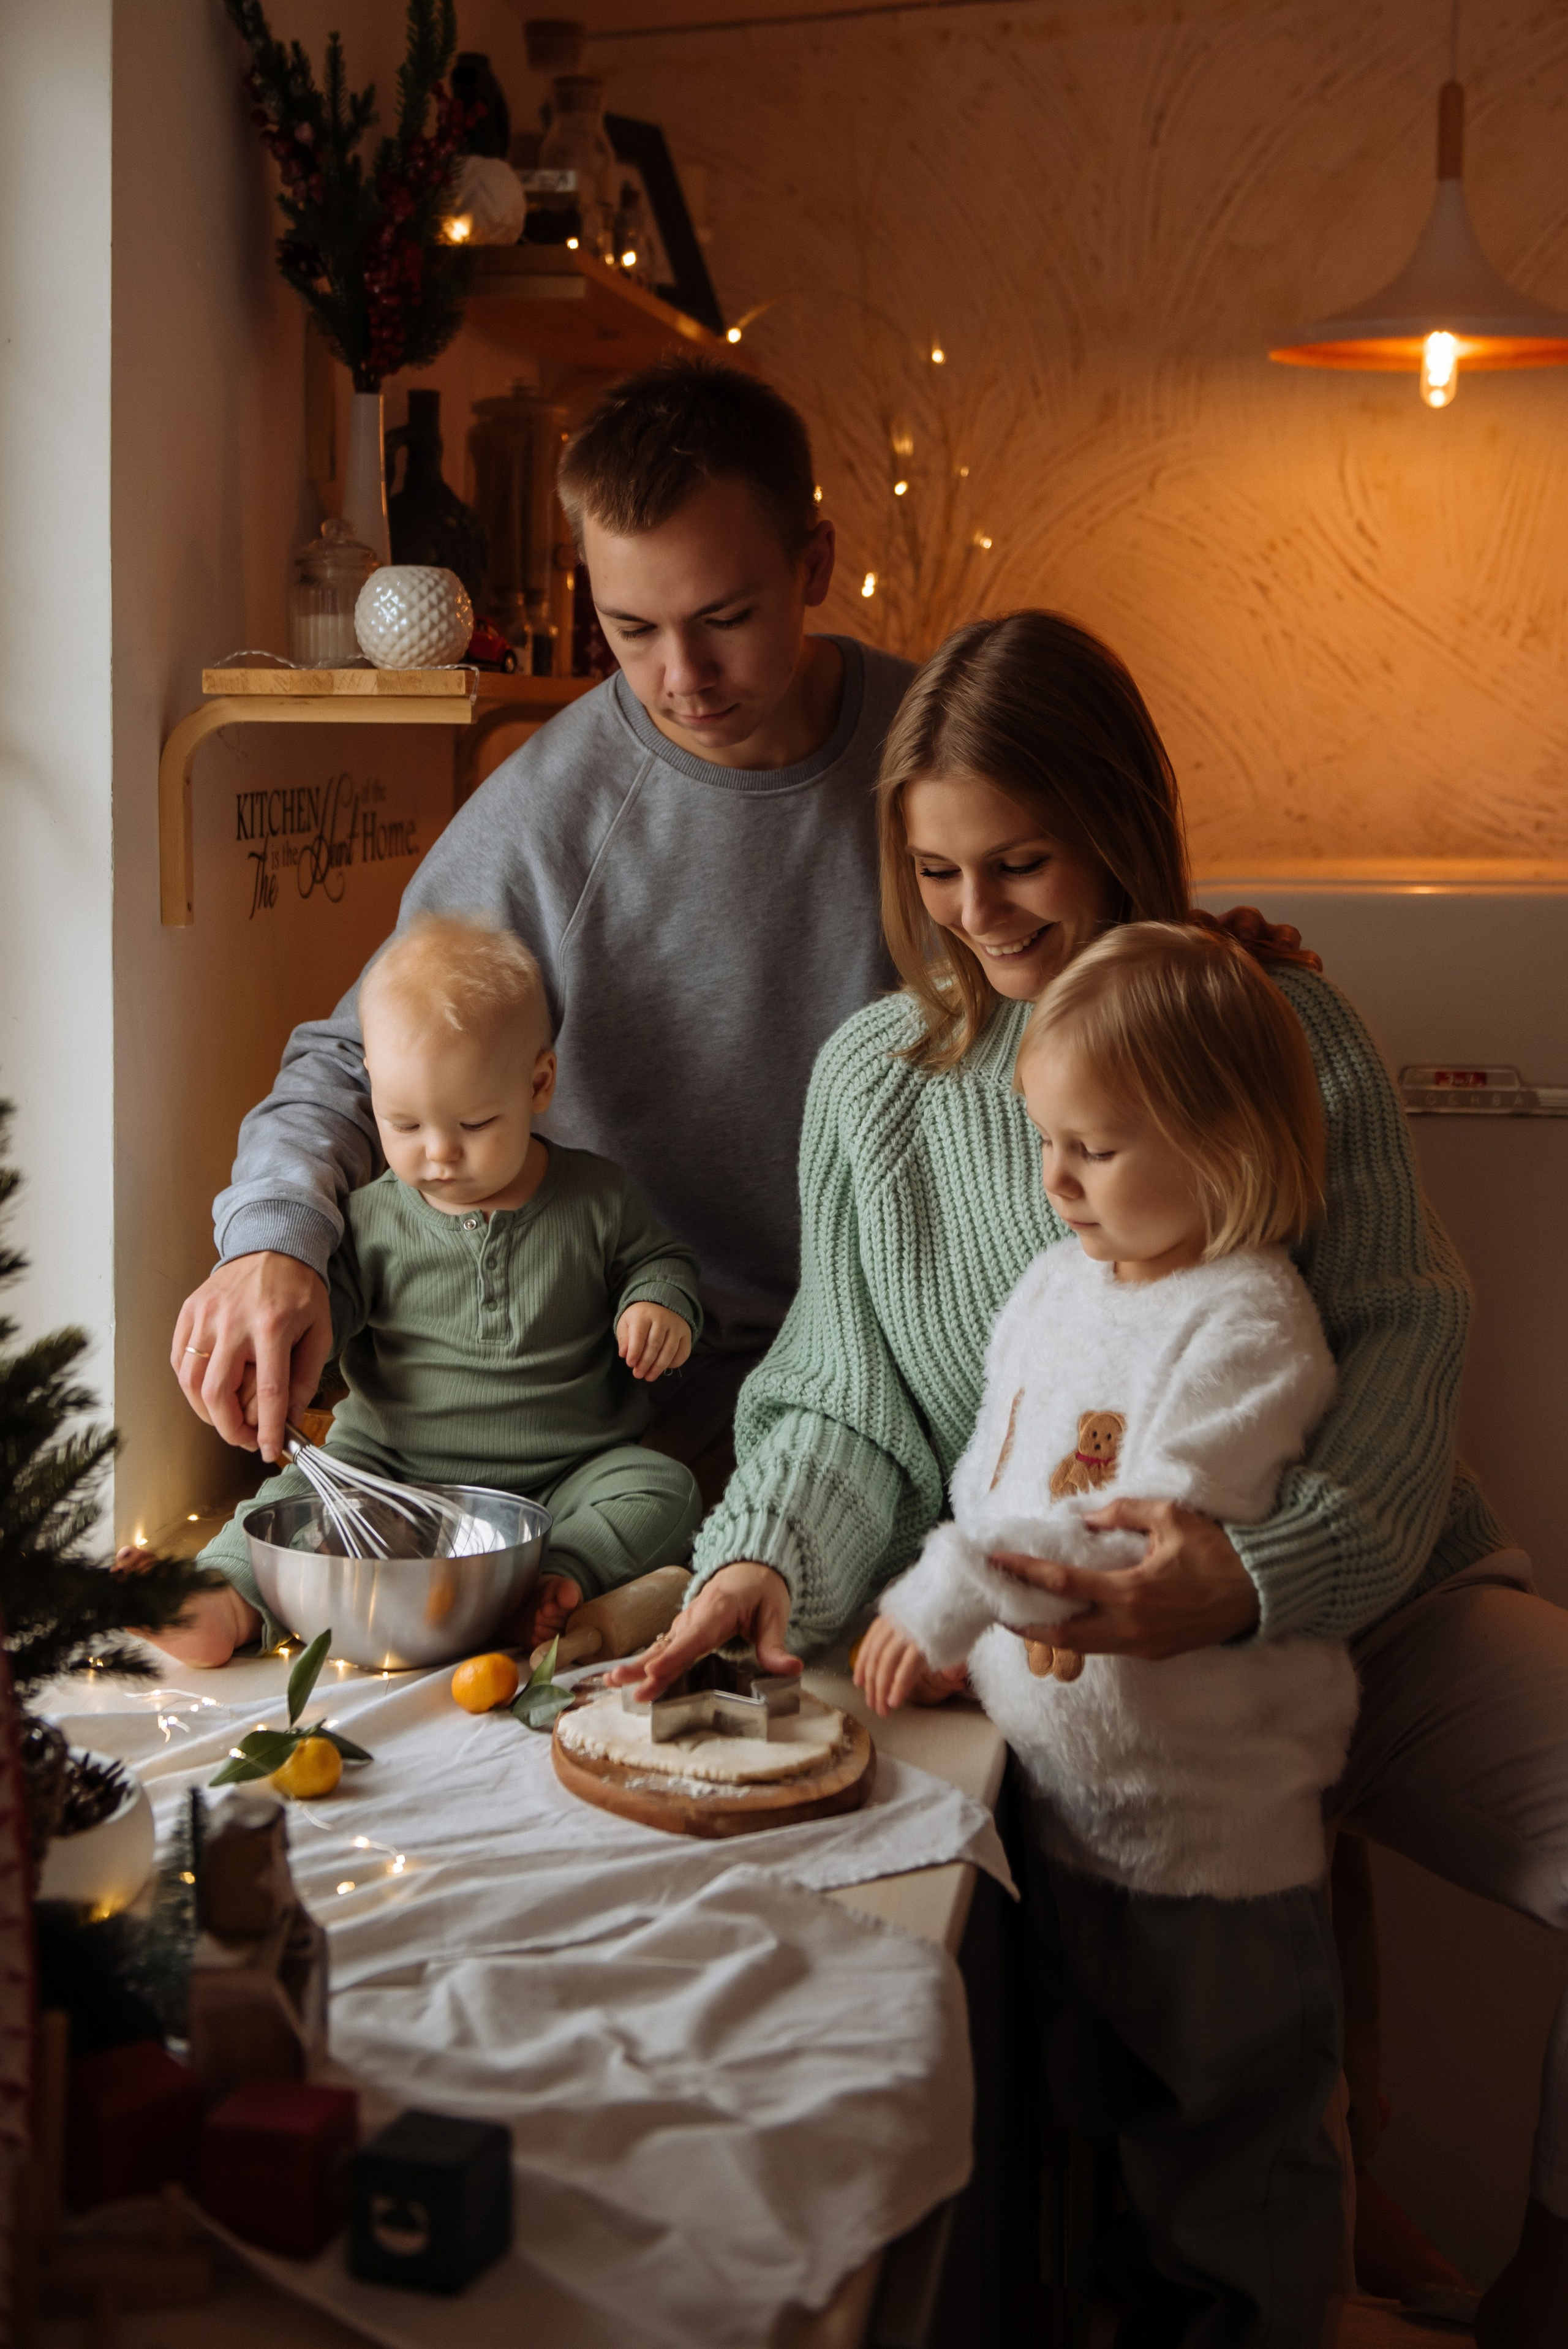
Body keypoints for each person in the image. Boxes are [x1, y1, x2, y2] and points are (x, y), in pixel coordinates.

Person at [621, 611, 1568, 2348]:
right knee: (1201, 2122)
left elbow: (1405, 1330)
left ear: (1118, 822)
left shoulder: (1274, 1014)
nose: (980, 915)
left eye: (1023, 861)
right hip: (1086, 1690)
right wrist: (755, 1563)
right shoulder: (875, 1088)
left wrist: (1267, 1573)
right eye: (937, 871)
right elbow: (844, 1398)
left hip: (1380, 1611)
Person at [172, 358, 916, 1485]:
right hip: (631, 1383)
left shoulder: (936, 748)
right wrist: (273, 1239)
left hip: (896, 1348)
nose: (683, 677)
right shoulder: (552, 812)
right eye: (631, 629)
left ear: (814, 563)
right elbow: (354, 1055)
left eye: (726, 618)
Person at [858, 922, 1353, 2343]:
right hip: (1062, 1812)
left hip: (1208, 1853)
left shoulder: (1246, 1323)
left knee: (1231, 2175)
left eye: (1097, 1147)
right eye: (1047, 1140)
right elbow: (997, 1481)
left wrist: (955, 1585)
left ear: (1221, 1143)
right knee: (1110, 2148)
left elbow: (1133, 1540)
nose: (1054, 1179)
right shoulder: (1056, 1284)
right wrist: (966, 1616)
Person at [132, 918, 701, 1664]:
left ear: (538, 1083)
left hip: (569, 1471)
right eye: (402, 1122)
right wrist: (266, 1359)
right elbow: (320, 1318)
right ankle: (224, 1599)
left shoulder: (596, 1196)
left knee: (663, 1487)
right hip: (391, 1470)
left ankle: (554, 1580)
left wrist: (656, 1304)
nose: (436, 1155)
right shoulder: (368, 1218)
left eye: (473, 1123)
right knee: (286, 1510)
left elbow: (660, 1262)